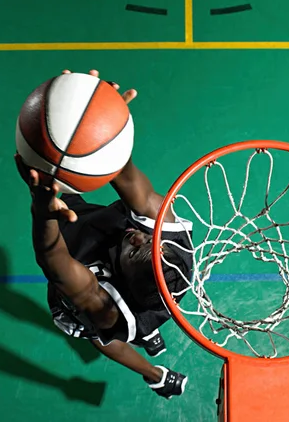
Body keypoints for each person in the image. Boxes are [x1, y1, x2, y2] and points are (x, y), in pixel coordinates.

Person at [14, 69, 194, 399]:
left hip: (75, 252)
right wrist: (100, 124)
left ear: (125, 271)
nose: (139, 236)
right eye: (149, 243)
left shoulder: (105, 306)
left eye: (135, 248)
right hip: (92, 223)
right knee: (76, 183)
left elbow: (53, 260)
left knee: (104, 336)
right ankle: (148, 333)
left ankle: (155, 375)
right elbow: (125, 175)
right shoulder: (168, 236)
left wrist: (41, 207)